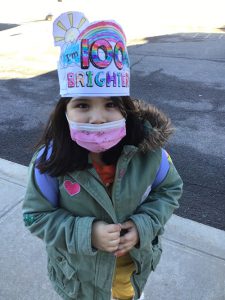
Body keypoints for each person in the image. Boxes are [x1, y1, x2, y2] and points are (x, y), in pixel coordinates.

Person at [22, 11, 183, 300]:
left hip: (130, 273)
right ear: (64, 112)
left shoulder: (149, 153)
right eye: (82, 104)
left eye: (110, 104)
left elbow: (170, 190)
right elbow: (36, 217)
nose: (97, 118)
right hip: (80, 281)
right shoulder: (49, 164)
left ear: (126, 109)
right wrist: (88, 233)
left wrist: (143, 224)